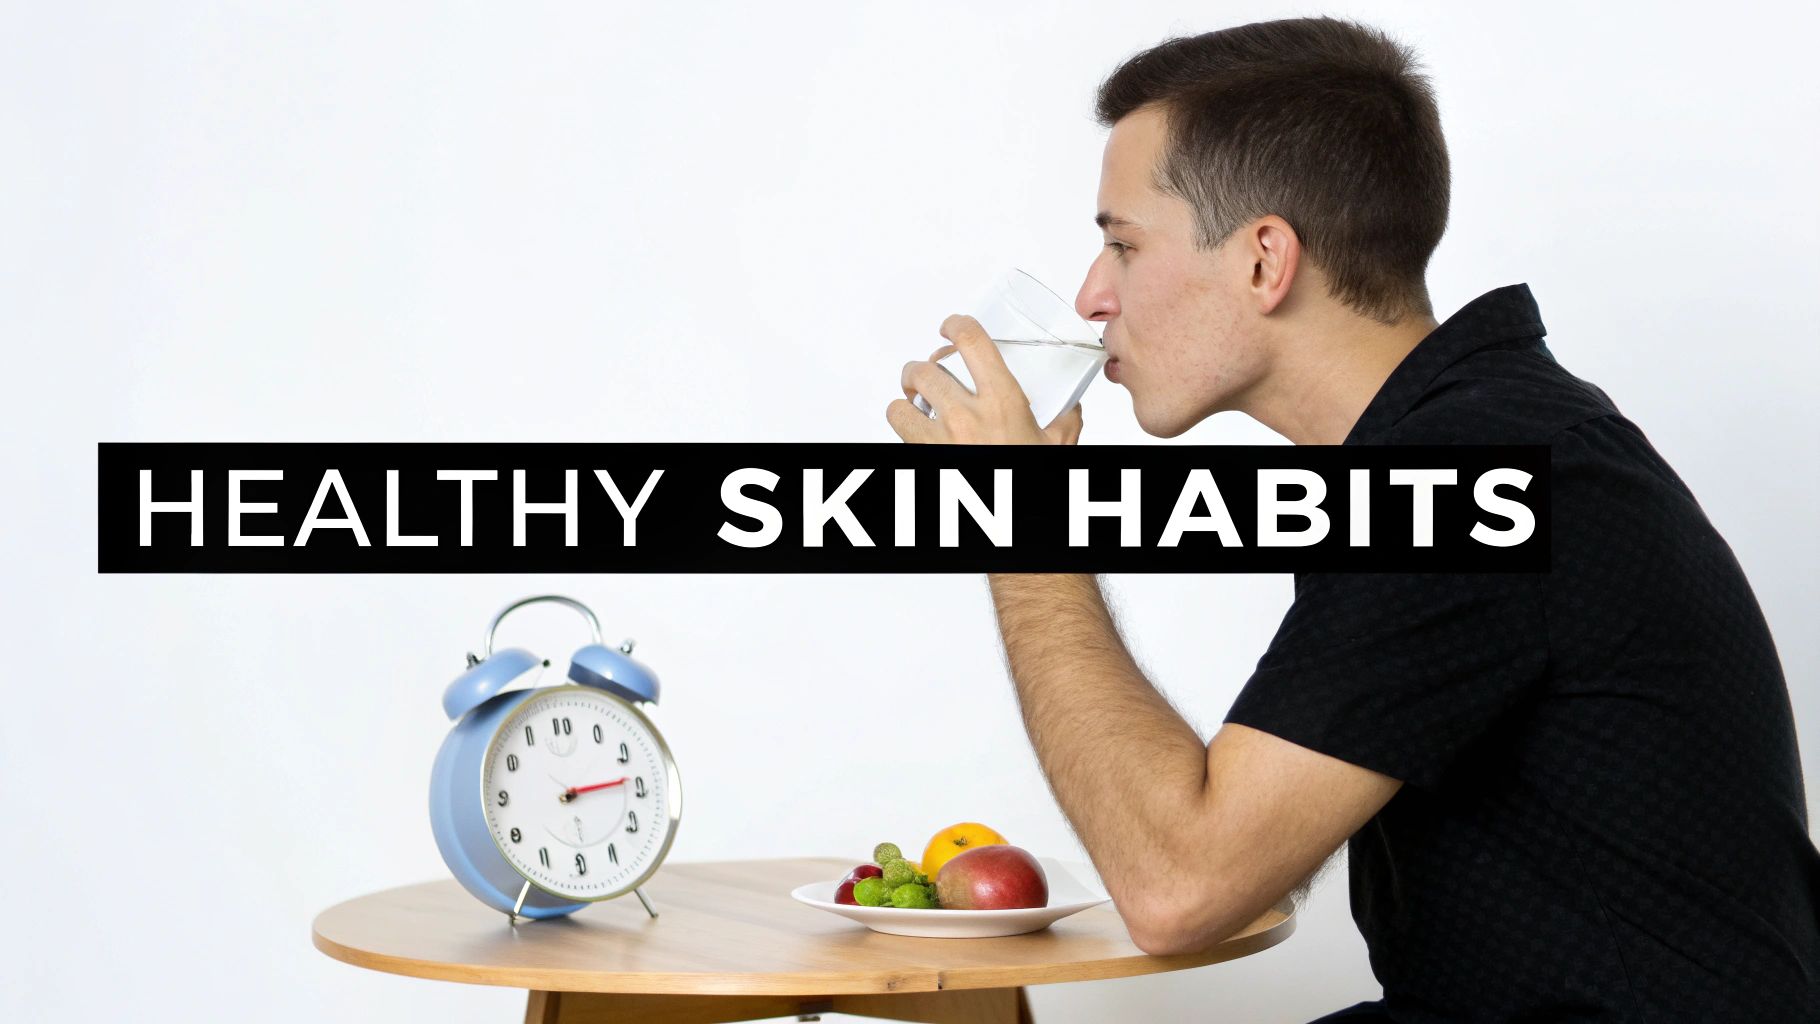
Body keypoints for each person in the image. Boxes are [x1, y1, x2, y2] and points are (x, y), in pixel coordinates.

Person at [885, 16, 1818, 1022]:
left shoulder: (1467, 478)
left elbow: (1178, 886)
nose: (1090, 295)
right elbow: (1247, 850)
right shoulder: (1453, 449)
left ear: (1262, 261)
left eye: (1121, 244)